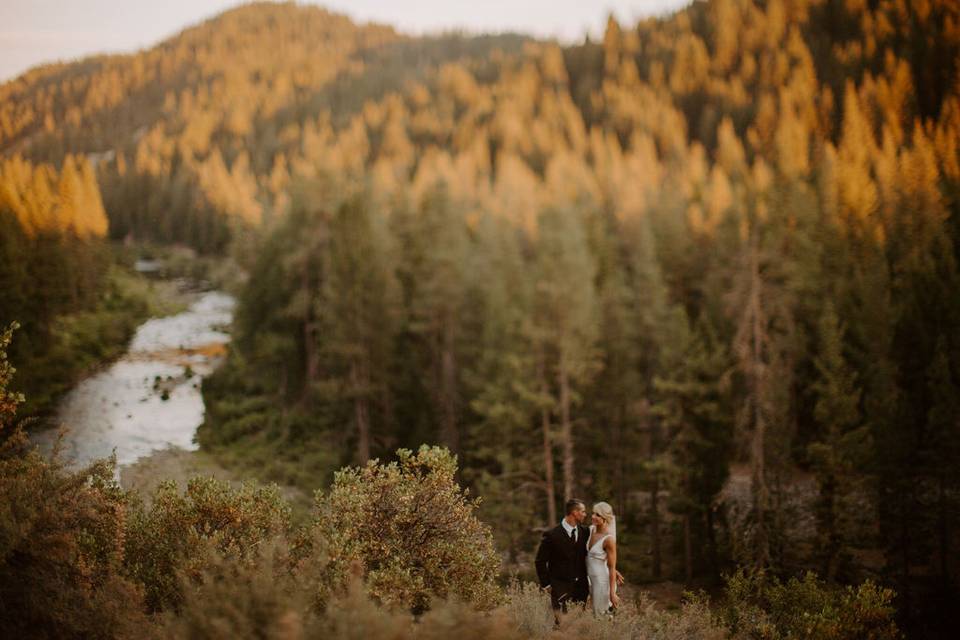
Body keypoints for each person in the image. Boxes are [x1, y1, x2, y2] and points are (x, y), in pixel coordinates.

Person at [535, 499, 591, 618]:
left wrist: (612, 569)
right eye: (583, 511)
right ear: (575, 513)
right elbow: (540, 561)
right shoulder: (551, 535)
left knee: (579, 625)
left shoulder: (585, 532)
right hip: (560, 588)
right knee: (562, 625)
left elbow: (593, 554)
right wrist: (547, 585)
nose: (585, 514)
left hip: (581, 589)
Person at [586, 501, 619, 615]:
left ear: (605, 518)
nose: (593, 516)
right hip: (589, 580)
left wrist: (612, 593)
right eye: (593, 513)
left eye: (597, 515)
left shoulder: (609, 540)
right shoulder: (590, 530)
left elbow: (611, 567)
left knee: (601, 617)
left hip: (601, 582)